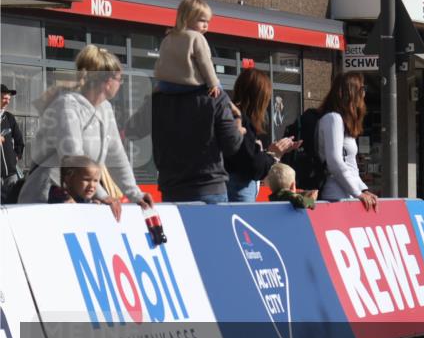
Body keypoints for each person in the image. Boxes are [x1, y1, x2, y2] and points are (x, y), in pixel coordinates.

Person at [19, 46, 153, 215]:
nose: (120, 84)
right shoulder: (67, 105)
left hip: (78, 193)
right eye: (120, 79)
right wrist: (103, 195)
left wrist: (135, 194)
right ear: (107, 81)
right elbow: (73, 157)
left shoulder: (105, 108)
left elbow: (116, 156)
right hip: (49, 195)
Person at [151, 68, 243, 204]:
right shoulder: (216, 96)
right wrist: (238, 120)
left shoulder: (158, 99)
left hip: (172, 188)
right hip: (209, 187)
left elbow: (133, 129)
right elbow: (232, 144)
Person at [224, 69, 300, 202]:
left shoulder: (230, 116)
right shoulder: (239, 120)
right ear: (259, 98)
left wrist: (267, 153)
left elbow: (246, 156)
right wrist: (272, 155)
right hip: (237, 192)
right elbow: (253, 166)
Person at [317, 72, 378, 211]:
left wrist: (362, 190)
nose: (364, 94)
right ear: (351, 92)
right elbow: (334, 162)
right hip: (335, 196)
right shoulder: (333, 118)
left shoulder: (343, 122)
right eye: (362, 89)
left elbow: (351, 165)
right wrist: (358, 193)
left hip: (347, 195)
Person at [154, 0, 222, 97]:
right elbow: (205, 63)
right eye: (202, 20)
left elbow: (161, 61)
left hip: (166, 85)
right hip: (189, 85)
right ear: (187, 18)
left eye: (208, 22)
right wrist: (213, 83)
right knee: (219, 88)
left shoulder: (168, 37)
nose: (205, 25)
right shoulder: (197, 37)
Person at [0, 84, 24, 202]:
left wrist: (16, 156)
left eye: (9, 99)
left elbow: (19, 141)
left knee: (12, 204)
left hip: (11, 174)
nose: (7, 102)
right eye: (4, 98)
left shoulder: (9, 118)